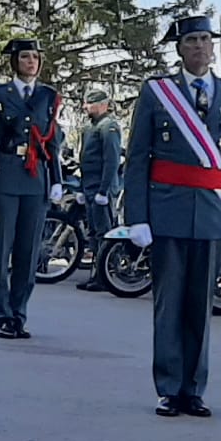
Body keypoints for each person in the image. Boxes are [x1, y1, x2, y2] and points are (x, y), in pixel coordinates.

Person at [123, 14, 221, 416]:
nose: (199, 46)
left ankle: (194, 389)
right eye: (191, 40)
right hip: (167, 211)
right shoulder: (158, 92)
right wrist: (137, 216)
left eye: (204, 39)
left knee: (201, 306)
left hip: (213, 214)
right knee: (169, 304)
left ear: (213, 47)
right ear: (179, 48)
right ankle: (168, 388)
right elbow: (138, 158)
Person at [0, 37, 64, 338]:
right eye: (25, 57)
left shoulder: (48, 96)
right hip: (6, 172)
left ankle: (18, 313)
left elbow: (52, 141)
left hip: (36, 177)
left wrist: (56, 179)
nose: (31, 62)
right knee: (0, 250)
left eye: (35, 57)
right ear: (15, 61)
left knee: (29, 251)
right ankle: (1, 315)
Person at [75, 86, 123, 292]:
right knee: (94, 232)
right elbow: (84, 158)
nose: (86, 107)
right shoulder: (89, 127)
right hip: (89, 185)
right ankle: (96, 274)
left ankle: (105, 275)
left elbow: (111, 161)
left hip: (101, 188)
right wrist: (81, 186)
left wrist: (104, 191)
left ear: (103, 105)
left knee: (104, 232)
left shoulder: (108, 127)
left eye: (90, 103)